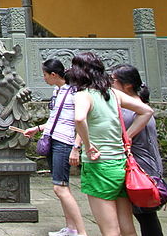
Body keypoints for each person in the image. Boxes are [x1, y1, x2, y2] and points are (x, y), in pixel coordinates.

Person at [67, 52, 154, 236]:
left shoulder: (84, 95)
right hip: (120, 165)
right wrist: (127, 137)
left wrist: (88, 145)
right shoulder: (114, 94)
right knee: (127, 228)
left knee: (110, 230)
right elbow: (146, 111)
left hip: (99, 166)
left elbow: (79, 118)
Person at [24, 59, 86, 236]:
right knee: (61, 187)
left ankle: (81, 232)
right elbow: (55, 119)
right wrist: (36, 129)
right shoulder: (57, 91)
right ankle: (71, 228)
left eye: (45, 75)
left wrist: (76, 146)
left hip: (64, 141)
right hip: (52, 137)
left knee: (60, 188)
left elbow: (81, 122)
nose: (43, 78)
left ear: (54, 75)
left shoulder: (75, 92)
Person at [111, 64, 167, 236]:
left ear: (127, 85)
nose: (111, 84)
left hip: (143, 168)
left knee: (146, 216)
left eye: (113, 80)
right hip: (141, 165)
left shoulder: (135, 110)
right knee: (144, 216)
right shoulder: (135, 107)